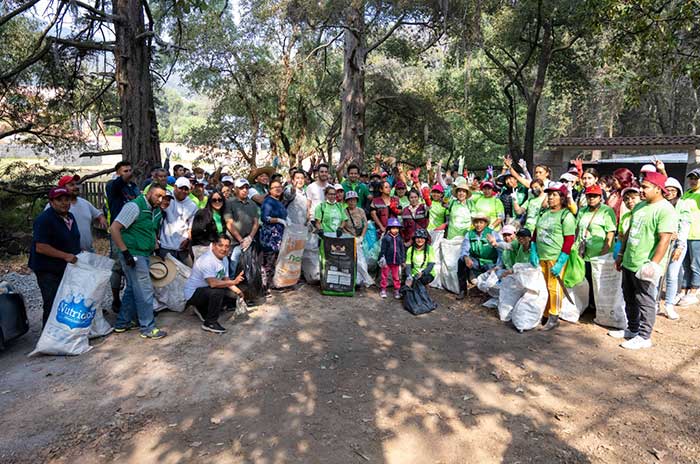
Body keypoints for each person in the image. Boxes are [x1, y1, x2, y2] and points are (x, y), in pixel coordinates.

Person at [611, 171, 677, 349]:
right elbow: (629, 233)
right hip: (629, 261)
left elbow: (665, 239)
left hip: (645, 265)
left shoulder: (665, 210)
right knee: (629, 297)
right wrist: (621, 254)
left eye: (645, 187)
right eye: (641, 186)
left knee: (645, 300)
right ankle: (632, 329)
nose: (641, 190)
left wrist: (653, 264)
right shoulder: (640, 206)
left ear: (658, 189)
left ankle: (644, 336)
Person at [109, 184, 168, 339]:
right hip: (133, 253)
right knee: (145, 290)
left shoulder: (152, 209)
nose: (160, 199)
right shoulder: (134, 206)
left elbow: (146, 230)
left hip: (143, 253)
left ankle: (122, 323)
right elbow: (114, 229)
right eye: (158, 195)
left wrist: (155, 245)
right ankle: (148, 327)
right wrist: (126, 253)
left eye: (163, 197)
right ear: (148, 193)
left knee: (133, 288)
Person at [29, 187, 81, 327]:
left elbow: (72, 239)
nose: (64, 203)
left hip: (66, 267)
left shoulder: (70, 217)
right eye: (59, 200)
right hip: (48, 269)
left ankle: (63, 333)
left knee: (66, 301)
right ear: (51, 202)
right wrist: (65, 256)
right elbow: (41, 247)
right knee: (52, 301)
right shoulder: (44, 220)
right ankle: (48, 337)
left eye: (67, 199)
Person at [531, 182, 577, 331]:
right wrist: (533, 250)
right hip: (542, 257)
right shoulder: (544, 213)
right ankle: (544, 314)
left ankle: (554, 316)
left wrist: (561, 261)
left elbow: (569, 240)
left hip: (555, 258)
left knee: (554, 287)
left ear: (562, 197)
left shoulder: (566, 216)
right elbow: (535, 233)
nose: (550, 197)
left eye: (554, 195)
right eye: (549, 194)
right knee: (543, 288)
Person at [184, 235, 245, 334]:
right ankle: (210, 323)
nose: (224, 249)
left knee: (233, 296)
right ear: (213, 246)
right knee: (218, 291)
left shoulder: (224, 259)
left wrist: (238, 291)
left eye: (227, 246)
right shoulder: (207, 260)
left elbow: (225, 279)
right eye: (220, 245)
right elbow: (213, 283)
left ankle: (201, 309)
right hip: (193, 294)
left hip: (206, 290)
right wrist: (233, 282)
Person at [575, 184, 617, 314]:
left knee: (597, 282)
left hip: (599, 254)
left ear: (600, 197)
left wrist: (604, 252)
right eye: (589, 196)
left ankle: (598, 309)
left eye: (594, 196)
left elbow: (610, 232)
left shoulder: (606, 211)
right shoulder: (582, 210)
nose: (591, 198)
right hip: (583, 253)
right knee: (585, 279)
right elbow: (577, 229)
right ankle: (586, 306)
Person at [106, 161, 140, 312]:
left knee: (133, 264)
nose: (128, 173)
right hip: (118, 231)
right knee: (117, 267)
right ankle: (115, 300)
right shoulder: (112, 185)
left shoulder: (133, 188)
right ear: (118, 173)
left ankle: (130, 299)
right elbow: (119, 182)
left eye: (130, 170)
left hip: (133, 231)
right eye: (125, 171)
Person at [49, 174, 107, 252]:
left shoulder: (85, 203)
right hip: (68, 254)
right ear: (62, 188)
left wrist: (102, 219)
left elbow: (98, 214)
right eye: (71, 185)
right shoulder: (54, 207)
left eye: (76, 184)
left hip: (88, 251)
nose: (76, 187)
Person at [663, 177, 689, 320]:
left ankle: (669, 305)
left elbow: (684, 227)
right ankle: (653, 304)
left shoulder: (683, 205)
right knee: (658, 274)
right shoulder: (661, 204)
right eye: (668, 190)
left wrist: (680, 245)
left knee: (672, 275)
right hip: (662, 244)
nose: (670, 193)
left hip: (677, 245)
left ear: (678, 192)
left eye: (673, 190)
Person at [456, 213, 499, 300]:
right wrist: (466, 257)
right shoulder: (470, 234)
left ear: (486, 223)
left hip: (490, 262)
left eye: (481, 222)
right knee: (461, 260)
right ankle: (463, 290)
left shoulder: (492, 233)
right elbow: (465, 248)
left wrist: (498, 265)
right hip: (476, 261)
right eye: (476, 222)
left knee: (494, 277)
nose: (478, 225)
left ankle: (491, 293)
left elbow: (500, 249)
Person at [224, 178, 260, 276]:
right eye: (241, 188)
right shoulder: (229, 203)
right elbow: (229, 223)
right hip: (234, 241)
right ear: (235, 189)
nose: (245, 190)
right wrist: (241, 240)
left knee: (249, 264)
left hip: (248, 241)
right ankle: (230, 283)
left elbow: (256, 222)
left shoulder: (252, 204)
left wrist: (250, 238)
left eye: (246, 188)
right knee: (232, 263)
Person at [159, 177, 198, 266]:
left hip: (182, 246)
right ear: (175, 187)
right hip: (165, 245)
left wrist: (188, 240)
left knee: (188, 273)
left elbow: (191, 226)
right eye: (181, 188)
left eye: (186, 189)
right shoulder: (167, 198)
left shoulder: (192, 205)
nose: (183, 191)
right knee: (166, 274)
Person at [260, 179, 288, 289]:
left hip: (280, 236)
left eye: (279, 187)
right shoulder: (268, 202)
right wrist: (278, 220)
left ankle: (274, 282)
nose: (277, 189)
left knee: (277, 260)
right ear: (269, 190)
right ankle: (266, 285)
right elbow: (265, 218)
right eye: (274, 187)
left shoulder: (279, 202)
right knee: (269, 261)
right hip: (270, 237)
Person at [678, 168, 700, 306]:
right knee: (684, 264)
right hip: (685, 234)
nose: (693, 181)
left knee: (695, 264)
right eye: (691, 178)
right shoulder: (687, 194)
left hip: (697, 234)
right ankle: (684, 289)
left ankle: (694, 290)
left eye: (696, 178)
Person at [191, 189, 226, 261]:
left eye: (220, 200)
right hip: (203, 250)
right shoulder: (202, 213)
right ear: (210, 201)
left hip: (218, 250)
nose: (217, 202)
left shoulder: (223, 215)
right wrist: (211, 245)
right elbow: (195, 233)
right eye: (214, 200)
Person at [379, 218, 405, 299]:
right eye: (393, 228)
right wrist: (381, 258)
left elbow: (402, 250)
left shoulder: (400, 239)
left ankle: (397, 290)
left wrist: (403, 260)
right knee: (384, 276)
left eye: (396, 228)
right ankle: (383, 289)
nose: (395, 230)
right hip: (387, 261)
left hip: (396, 261)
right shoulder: (386, 238)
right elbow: (382, 249)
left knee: (396, 277)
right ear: (389, 229)